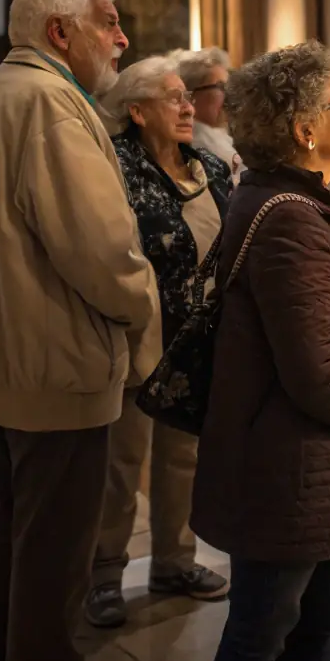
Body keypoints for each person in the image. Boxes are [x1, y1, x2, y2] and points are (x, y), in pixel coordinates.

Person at [0, 0, 159, 661]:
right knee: (55, 561)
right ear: (60, 33)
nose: (121, 39)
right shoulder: (51, 103)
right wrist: (142, 308)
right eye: (108, 23)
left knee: (13, 539)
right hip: (56, 368)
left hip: (3, 362)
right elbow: (100, 248)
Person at [192, 41, 330, 661]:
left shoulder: (308, 200)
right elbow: (316, 372)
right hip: (289, 470)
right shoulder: (290, 218)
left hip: (320, 463)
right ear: (305, 127)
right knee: (267, 638)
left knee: (316, 629)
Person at [84, 55, 234, 628]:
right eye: (173, 98)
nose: (188, 106)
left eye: (187, 97)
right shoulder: (115, 169)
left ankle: (175, 560)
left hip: (199, 342)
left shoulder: (209, 168)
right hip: (139, 337)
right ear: (137, 110)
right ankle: (103, 575)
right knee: (122, 462)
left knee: (184, 456)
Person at [176, 47, 235, 169]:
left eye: (229, 86)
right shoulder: (196, 143)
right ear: (191, 94)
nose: (229, 94)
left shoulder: (220, 134)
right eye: (220, 86)